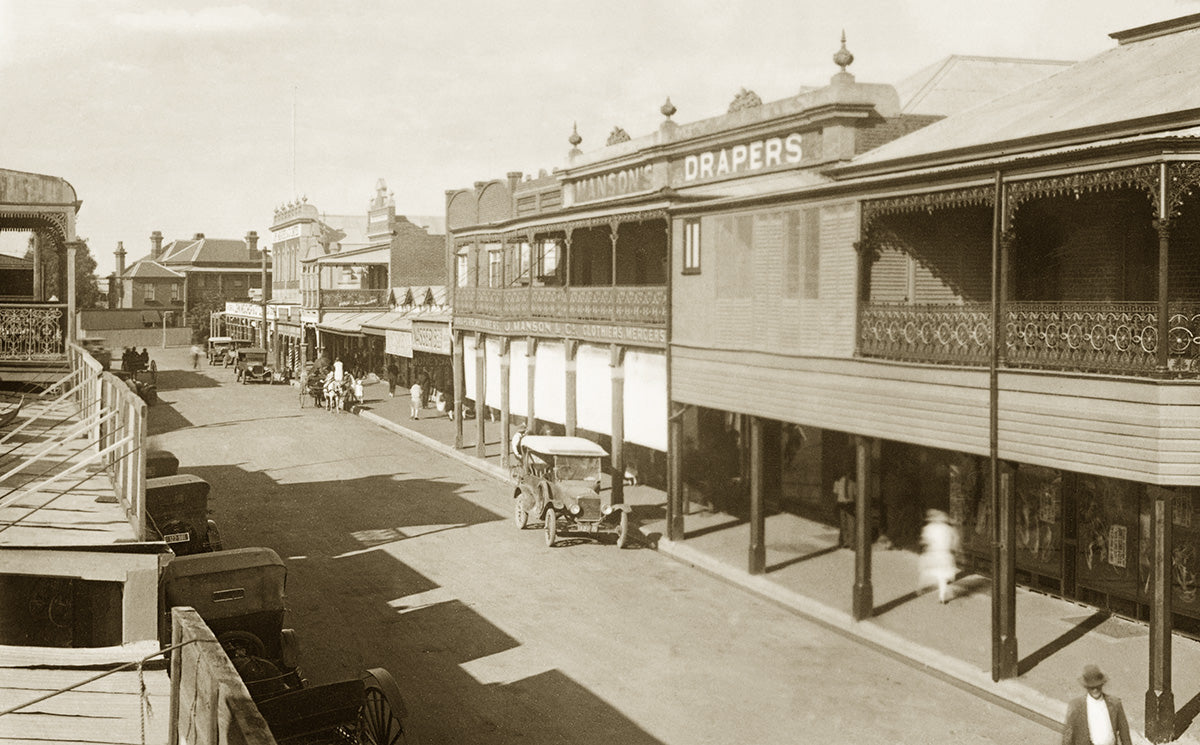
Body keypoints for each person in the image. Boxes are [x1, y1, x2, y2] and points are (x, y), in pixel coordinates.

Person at [1062, 665, 1131, 745]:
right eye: (1091, 687)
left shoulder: (1115, 703)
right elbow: (1067, 737)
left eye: (1098, 686)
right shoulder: (1076, 706)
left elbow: (1125, 735)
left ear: (1102, 685)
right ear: (1086, 687)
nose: (1095, 690)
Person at [918, 509, 960, 603]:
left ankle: (920, 587)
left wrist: (926, 546)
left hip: (934, 553)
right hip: (945, 554)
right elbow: (956, 540)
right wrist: (954, 549)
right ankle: (942, 596)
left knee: (926, 569)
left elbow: (925, 541)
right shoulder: (949, 529)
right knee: (942, 576)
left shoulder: (929, 528)